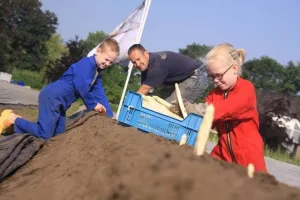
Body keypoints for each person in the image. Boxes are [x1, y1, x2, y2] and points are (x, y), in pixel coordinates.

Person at [0, 38, 120, 140]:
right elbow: (81, 85)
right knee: (44, 134)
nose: (107, 63)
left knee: (58, 136)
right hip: (53, 97)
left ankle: (16, 126)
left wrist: (109, 114)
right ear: (98, 51)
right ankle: (13, 119)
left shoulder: (96, 73)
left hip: (62, 104)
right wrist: (93, 104)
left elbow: (100, 94)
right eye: (106, 59)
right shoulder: (86, 64)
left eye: (111, 62)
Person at [184, 43, 268, 173]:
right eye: (212, 76)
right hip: (223, 152)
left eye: (219, 75)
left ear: (234, 68)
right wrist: (187, 116)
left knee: (256, 188)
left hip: (248, 155)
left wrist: (203, 110)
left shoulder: (246, 88)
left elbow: (230, 107)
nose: (216, 80)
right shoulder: (214, 94)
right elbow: (205, 123)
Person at [127, 44, 209, 103]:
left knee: (169, 108)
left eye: (138, 59)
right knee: (164, 105)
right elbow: (143, 94)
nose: (137, 64)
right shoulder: (148, 63)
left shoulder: (155, 67)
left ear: (145, 54)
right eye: (134, 62)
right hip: (186, 77)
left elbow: (141, 93)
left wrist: (126, 106)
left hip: (196, 76)